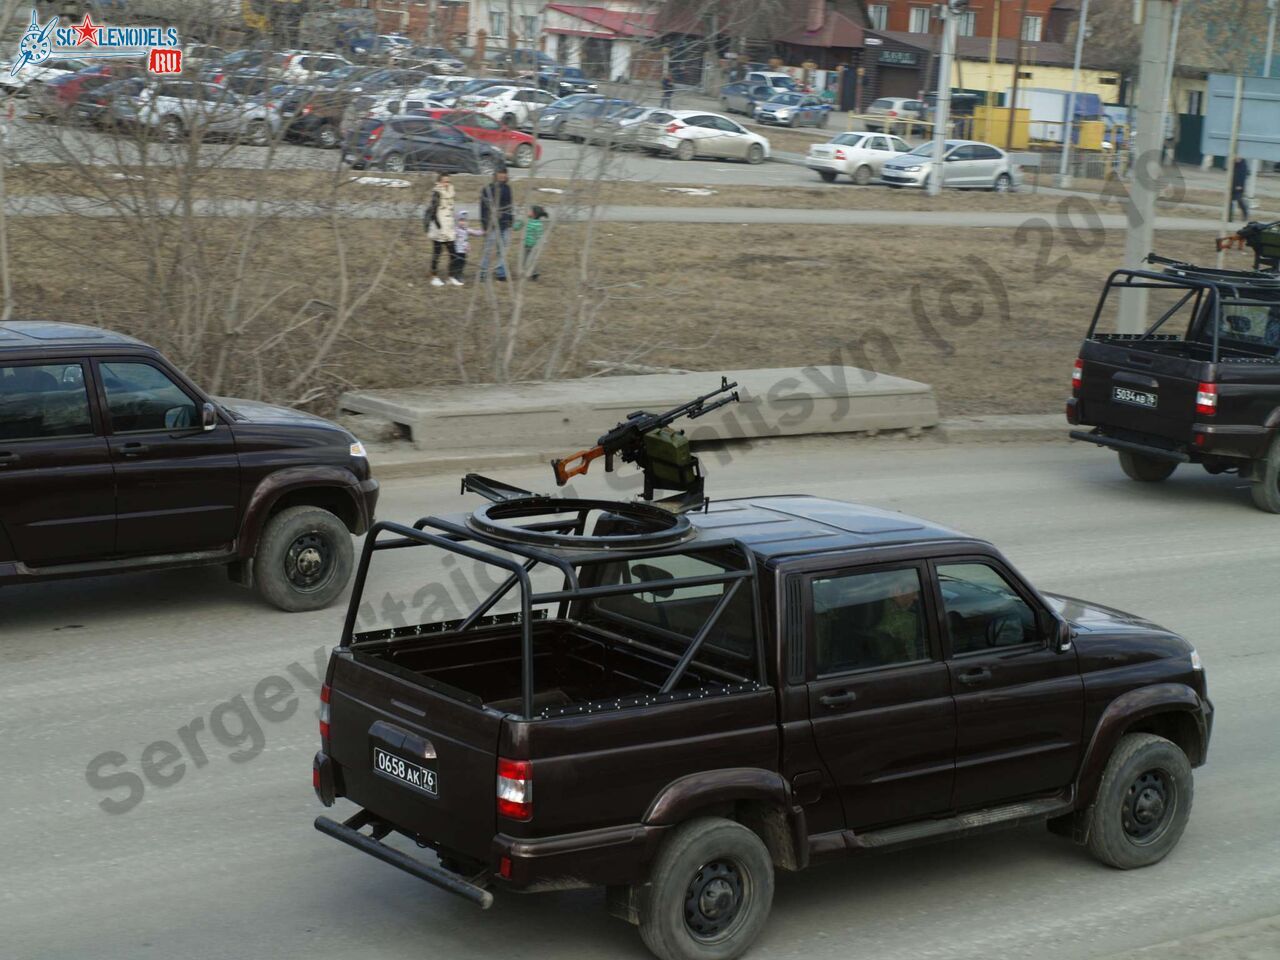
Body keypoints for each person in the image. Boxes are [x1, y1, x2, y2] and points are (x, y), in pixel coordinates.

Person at [478, 169, 515, 282]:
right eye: (500, 173)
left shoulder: (507, 188)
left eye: (504, 173)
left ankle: (501, 272)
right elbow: (483, 209)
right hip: (492, 225)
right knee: (488, 249)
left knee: (502, 250)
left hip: (505, 224)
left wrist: (510, 220)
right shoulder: (487, 190)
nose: (503, 175)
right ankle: (483, 272)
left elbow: (509, 205)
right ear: (495, 174)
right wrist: (485, 225)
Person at [872, 582, 921, 663]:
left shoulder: (878, 608)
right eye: (914, 589)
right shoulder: (904, 622)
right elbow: (911, 657)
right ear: (897, 591)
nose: (917, 597)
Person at [424, 173, 456, 287]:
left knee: (453, 253)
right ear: (439, 182)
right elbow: (433, 212)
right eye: (445, 181)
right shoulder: (436, 193)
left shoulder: (451, 192)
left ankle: (450, 276)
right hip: (439, 228)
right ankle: (433, 276)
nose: (447, 183)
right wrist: (439, 227)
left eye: (448, 181)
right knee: (437, 253)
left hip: (449, 227)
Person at [448, 209, 484, 286]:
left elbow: (476, 233)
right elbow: (450, 235)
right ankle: (455, 275)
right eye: (460, 220)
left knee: (463, 262)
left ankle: (459, 273)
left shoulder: (466, 229)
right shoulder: (455, 230)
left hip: (463, 251)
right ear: (457, 221)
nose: (462, 222)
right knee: (456, 263)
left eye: (464, 220)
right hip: (456, 250)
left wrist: (483, 231)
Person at [521, 204, 549, 280]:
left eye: (530, 210)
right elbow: (517, 226)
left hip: (533, 246)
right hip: (527, 245)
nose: (528, 211)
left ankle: (534, 273)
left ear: (533, 214)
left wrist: (542, 242)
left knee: (528, 260)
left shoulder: (536, 224)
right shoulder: (528, 221)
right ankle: (534, 273)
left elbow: (539, 235)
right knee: (527, 260)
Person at [1232, 158, 1250, 222]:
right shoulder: (1234, 163)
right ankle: (1229, 217)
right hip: (1232, 185)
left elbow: (1243, 176)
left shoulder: (1243, 164)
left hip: (1239, 186)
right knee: (1230, 201)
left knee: (1239, 201)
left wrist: (1240, 185)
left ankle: (1245, 213)